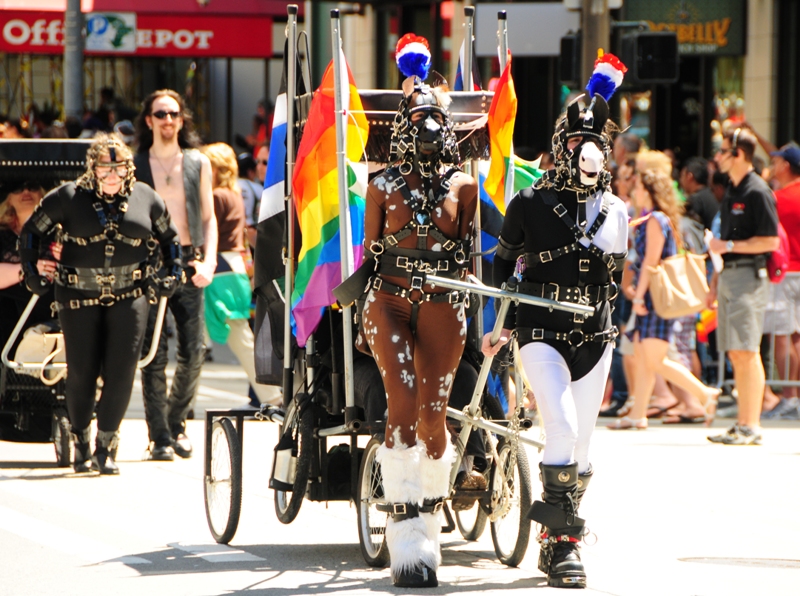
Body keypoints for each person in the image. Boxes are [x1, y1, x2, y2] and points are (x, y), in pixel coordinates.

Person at [482, 53, 629, 589]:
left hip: (595, 334)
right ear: (562, 144)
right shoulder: (528, 201)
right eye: (575, 142)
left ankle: (549, 538)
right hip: (538, 328)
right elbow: (503, 265)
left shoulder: (619, 211)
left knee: (582, 446)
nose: (585, 152)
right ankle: (567, 546)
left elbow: (614, 279)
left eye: (594, 143)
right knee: (561, 428)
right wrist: (497, 324)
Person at [358, 35, 477, 588]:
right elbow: (369, 255)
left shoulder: (467, 185)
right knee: (402, 403)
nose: (428, 126)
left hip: (445, 299)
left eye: (436, 116)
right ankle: (408, 540)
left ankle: (430, 520)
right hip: (388, 298)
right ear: (403, 126)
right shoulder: (379, 185)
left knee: (434, 417)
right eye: (418, 116)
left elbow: (473, 253)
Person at [18, 134, 182, 474]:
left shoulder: (146, 198)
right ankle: (81, 441)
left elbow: (171, 240)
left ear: (128, 169)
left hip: (130, 295)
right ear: (92, 169)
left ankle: (106, 447)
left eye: (118, 168)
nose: (111, 176)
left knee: (122, 372)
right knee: (82, 372)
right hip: (77, 296)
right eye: (104, 169)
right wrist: (34, 271)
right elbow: (32, 233)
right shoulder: (67, 196)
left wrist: (173, 273)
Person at [134, 89, 217, 461]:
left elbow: (208, 218)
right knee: (152, 353)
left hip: (189, 260)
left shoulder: (198, 162)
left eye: (174, 114)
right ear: (148, 120)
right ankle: (160, 436)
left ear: (181, 121)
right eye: (161, 113)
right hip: (148, 264)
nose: (168, 120)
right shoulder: (135, 165)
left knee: (194, 350)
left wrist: (209, 262)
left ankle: (174, 423)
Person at [606, 168, 720, 430]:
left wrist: (638, 297)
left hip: (656, 298)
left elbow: (650, 262)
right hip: (653, 297)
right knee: (648, 358)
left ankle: (704, 394)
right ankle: (637, 414)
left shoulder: (655, 219)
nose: (634, 191)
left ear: (648, 190)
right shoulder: (656, 218)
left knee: (655, 359)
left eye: (638, 187)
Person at [707, 128, 780, 445]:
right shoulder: (735, 189)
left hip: (750, 275)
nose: (718, 157)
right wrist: (716, 281)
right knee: (737, 352)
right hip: (732, 275)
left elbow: (770, 241)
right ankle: (743, 422)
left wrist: (730, 245)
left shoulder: (757, 191)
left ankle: (752, 425)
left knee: (747, 351)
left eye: (723, 151)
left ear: (738, 154)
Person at [200, 142, 280, 407]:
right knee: (233, 335)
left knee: (237, 335)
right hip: (231, 267)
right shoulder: (231, 193)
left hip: (220, 267)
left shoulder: (217, 196)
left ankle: (271, 395)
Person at [763, 142, 800, 416]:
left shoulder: (778, 198)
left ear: (786, 166)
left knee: (782, 337)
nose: (772, 167)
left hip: (785, 273)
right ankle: (793, 396)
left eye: (776, 162)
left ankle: (789, 397)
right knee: (796, 337)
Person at [0, 181, 58, 348]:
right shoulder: (2, 233)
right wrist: (29, 268)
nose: (25, 191)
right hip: (8, 316)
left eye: (32, 186)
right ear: (9, 198)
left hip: (50, 309)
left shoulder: (62, 231)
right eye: (17, 187)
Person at [680, 157, 719, 230]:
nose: (681, 180)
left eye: (682, 175)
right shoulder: (712, 194)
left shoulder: (696, 199)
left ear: (689, 176)